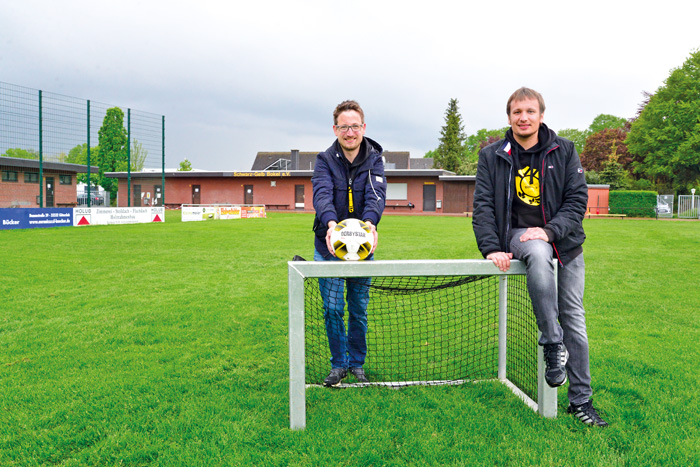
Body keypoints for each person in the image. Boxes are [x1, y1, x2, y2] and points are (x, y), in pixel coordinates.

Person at [472, 87, 608, 427]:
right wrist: (490, 247)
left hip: (565, 244)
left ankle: (581, 402)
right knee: (535, 249)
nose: (524, 118)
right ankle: (551, 343)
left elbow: (577, 202)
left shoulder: (565, 150)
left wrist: (549, 231)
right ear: (509, 117)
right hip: (519, 237)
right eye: (517, 112)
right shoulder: (492, 155)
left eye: (530, 111)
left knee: (574, 318)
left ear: (541, 116)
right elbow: (483, 206)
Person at [312, 100, 387, 387]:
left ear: (363, 127)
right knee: (332, 308)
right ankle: (337, 364)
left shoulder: (375, 159)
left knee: (358, 308)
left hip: (361, 250)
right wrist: (332, 224)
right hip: (329, 247)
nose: (350, 132)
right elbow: (322, 194)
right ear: (335, 129)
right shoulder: (324, 160)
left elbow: (376, 194)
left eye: (355, 126)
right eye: (344, 127)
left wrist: (371, 223)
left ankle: (356, 364)